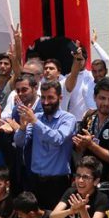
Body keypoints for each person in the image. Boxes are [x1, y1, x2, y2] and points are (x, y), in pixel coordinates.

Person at [11, 80, 76, 209]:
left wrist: (35, 121)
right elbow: (20, 142)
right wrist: (22, 127)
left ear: (60, 98)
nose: (46, 102)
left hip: (57, 182)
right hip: (34, 180)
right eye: (43, 98)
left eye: (50, 98)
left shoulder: (68, 119)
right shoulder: (37, 117)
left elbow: (57, 138)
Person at [73, 77, 109, 169]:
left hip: (108, 176)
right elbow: (78, 149)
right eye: (102, 98)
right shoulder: (89, 116)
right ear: (94, 97)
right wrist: (80, 145)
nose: (106, 103)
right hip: (87, 174)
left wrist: (91, 145)